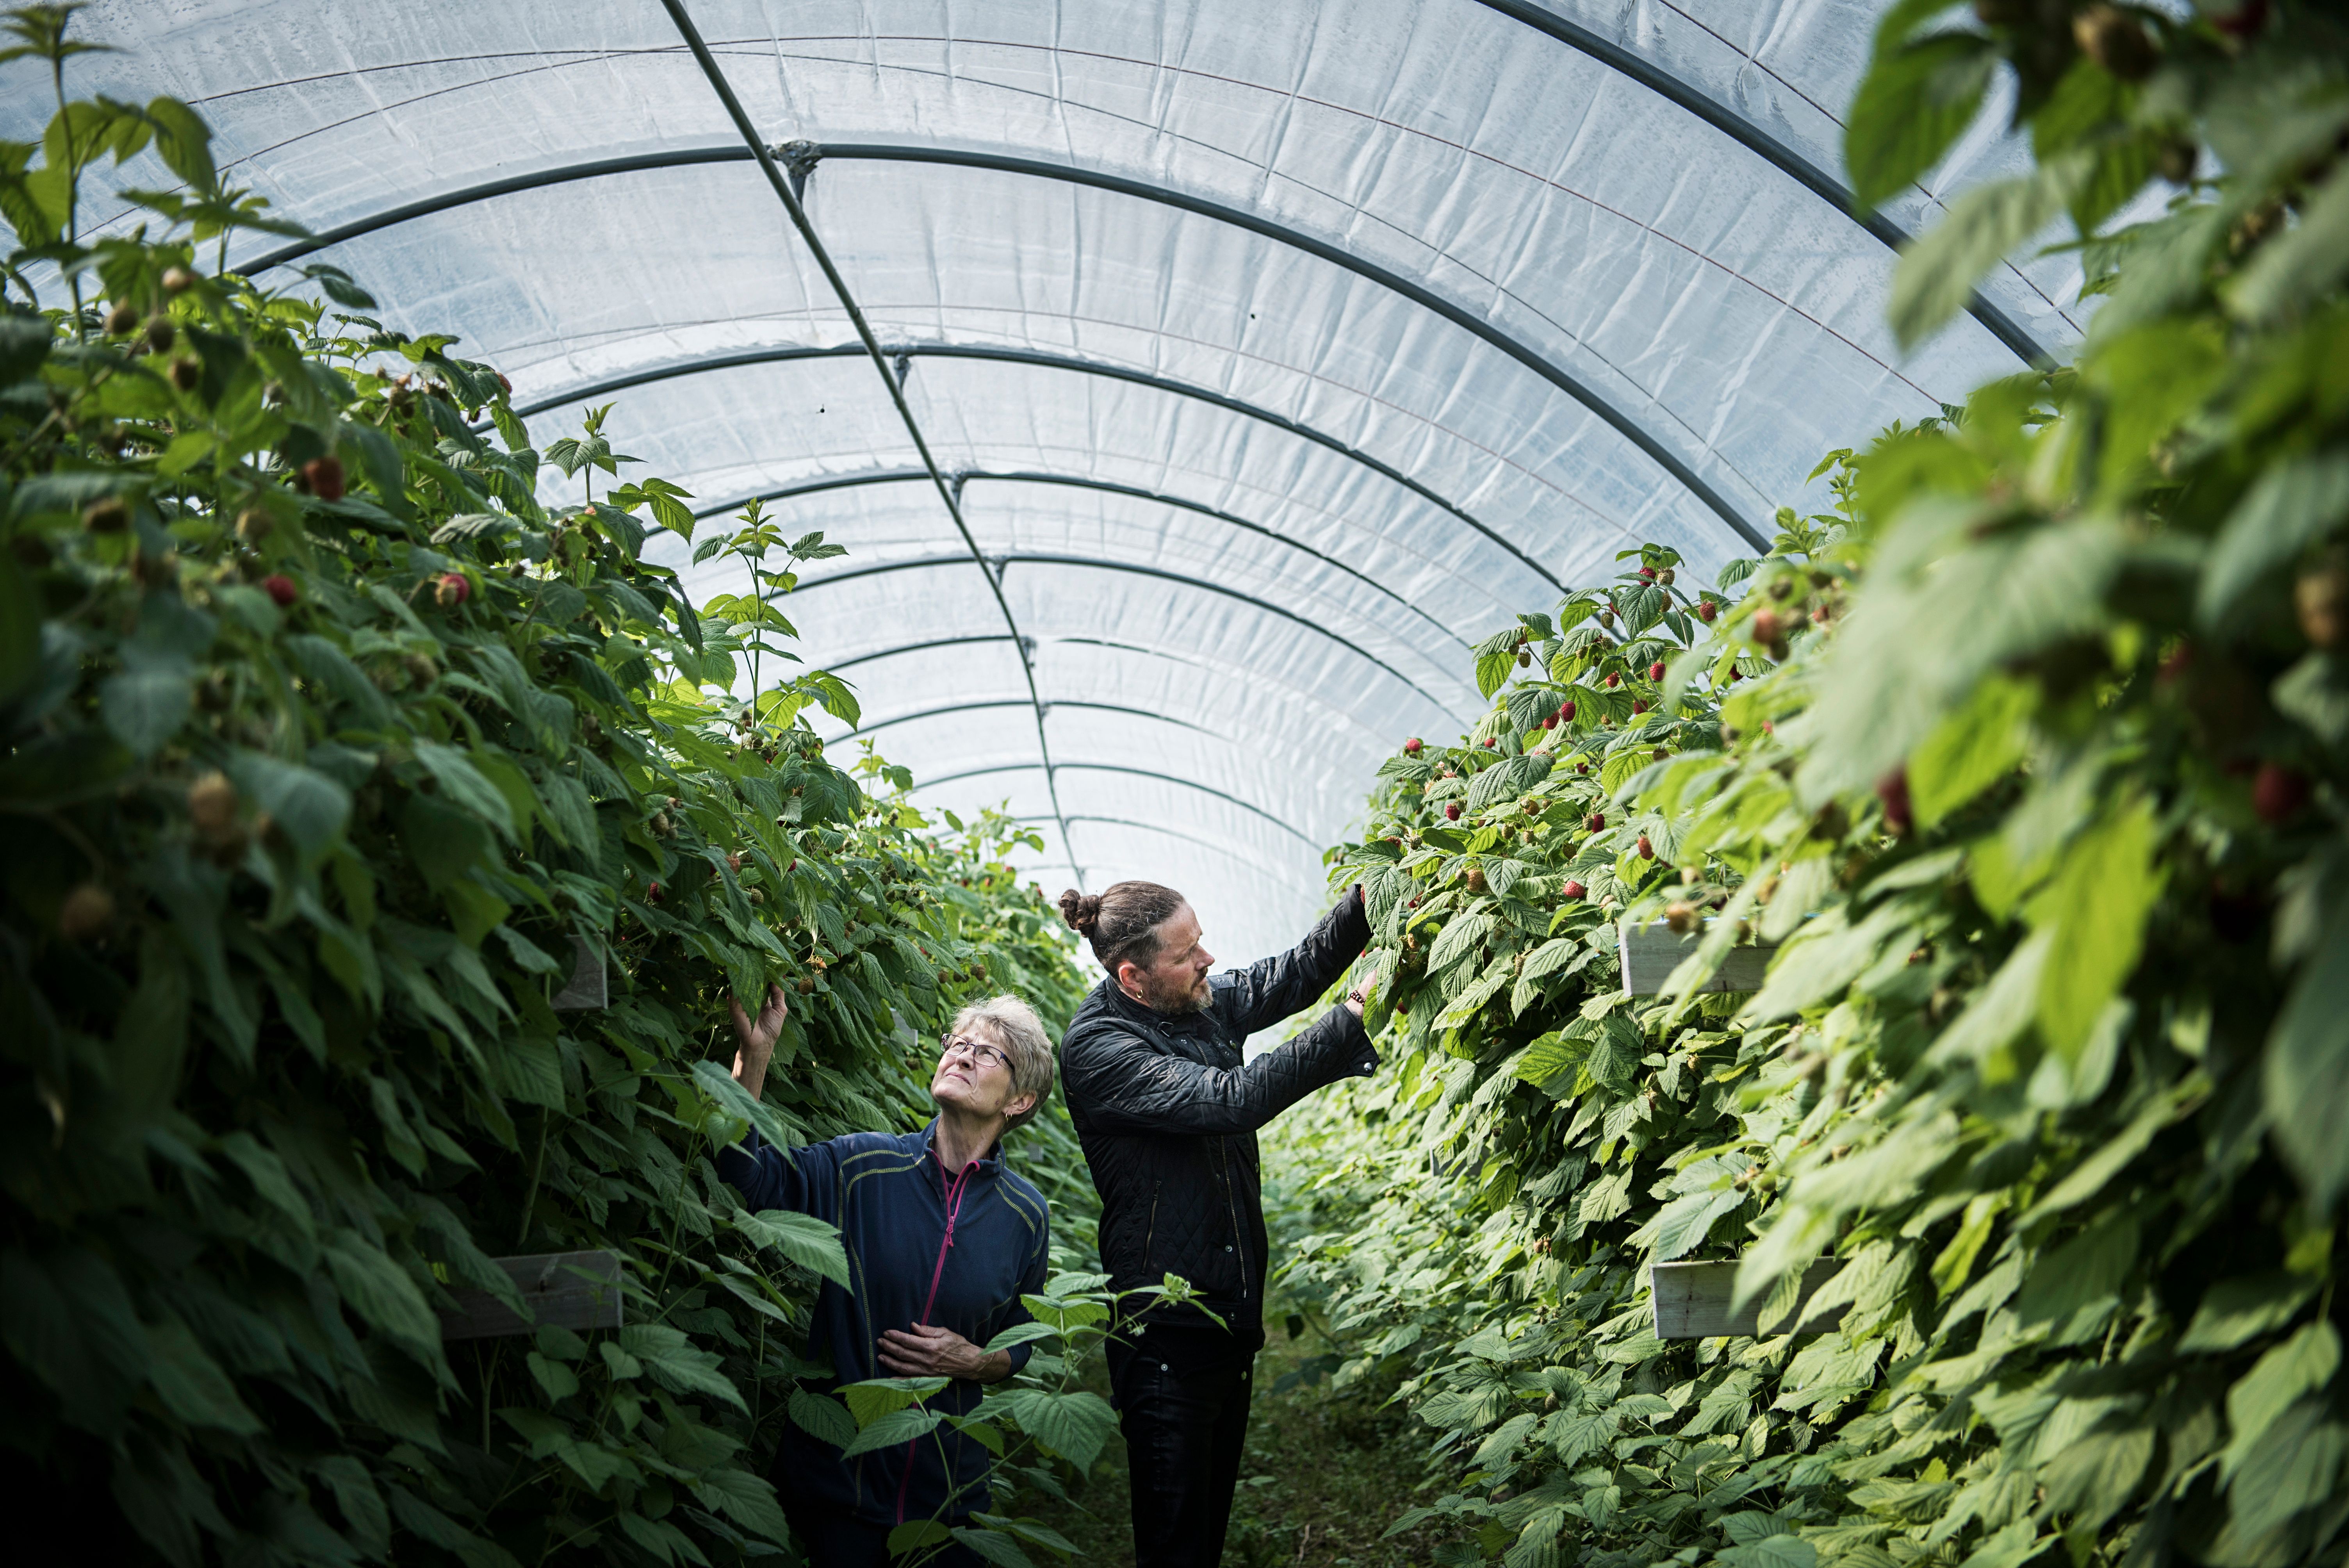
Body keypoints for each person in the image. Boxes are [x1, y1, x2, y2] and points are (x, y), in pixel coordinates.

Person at [1055, 880, 1374, 1568]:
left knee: (1207, 1534)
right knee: (1175, 1547)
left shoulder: (1195, 1000)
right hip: (1164, 1335)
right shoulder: (1099, 1048)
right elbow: (1235, 1099)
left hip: (1226, 1316)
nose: (1208, 957)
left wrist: (1369, 900)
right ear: (1132, 976)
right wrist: (1350, 1020)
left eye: (1199, 937)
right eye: (1187, 950)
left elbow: (1290, 975)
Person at [717, 986, 1057, 1566]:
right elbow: (746, 1175)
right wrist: (753, 1061)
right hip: (838, 1489)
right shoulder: (862, 1166)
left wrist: (976, 1362)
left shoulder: (1026, 1216)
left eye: (988, 1053)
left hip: (948, 1501)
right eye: (958, 1043)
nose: (963, 1055)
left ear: (1020, 1101)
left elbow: (1021, 1342)